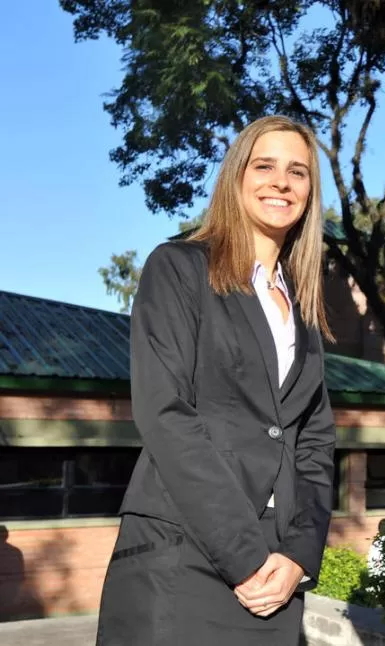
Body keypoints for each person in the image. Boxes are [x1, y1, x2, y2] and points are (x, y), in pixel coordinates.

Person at [96, 115, 337, 646]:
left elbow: (315, 443)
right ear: (236, 176)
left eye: (298, 172)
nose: (281, 181)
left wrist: (299, 553)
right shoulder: (178, 267)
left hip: (278, 569)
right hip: (185, 550)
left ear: (310, 193)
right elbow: (166, 414)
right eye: (265, 166)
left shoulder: (303, 304)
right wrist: (244, 555)